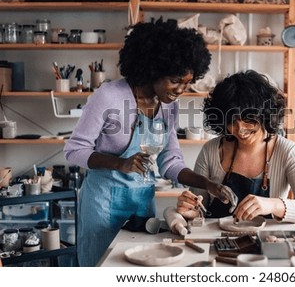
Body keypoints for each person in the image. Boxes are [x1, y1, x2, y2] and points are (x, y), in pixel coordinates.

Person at [64, 18, 237, 267]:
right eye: (175, 80)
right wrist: (121, 164)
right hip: (103, 207)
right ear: (153, 69)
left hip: (142, 206)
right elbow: (74, 151)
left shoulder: (168, 106)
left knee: (140, 270)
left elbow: (170, 162)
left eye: (187, 83)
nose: (180, 90)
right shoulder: (109, 96)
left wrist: (208, 184)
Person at [176, 70, 295, 224]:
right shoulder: (211, 150)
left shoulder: (288, 152)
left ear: (264, 114)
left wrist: (273, 205)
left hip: (265, 243)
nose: (240, 129)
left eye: (247, 119)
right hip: (217, 241)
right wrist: (192, 211)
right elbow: (199, 208)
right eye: (232, 121)